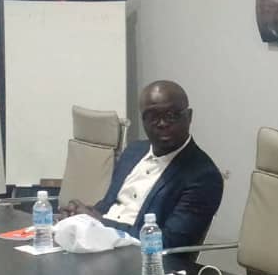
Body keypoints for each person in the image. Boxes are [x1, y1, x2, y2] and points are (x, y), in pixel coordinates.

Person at [62, 80, 223, 248]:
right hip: (98, 245)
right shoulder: (133, 151)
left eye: (171, 116)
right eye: (153, 117)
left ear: (189, 117)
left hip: (140, 258)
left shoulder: (203, 176)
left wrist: (100, 223)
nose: (162, 123)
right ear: (143, 120)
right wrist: (80, 215)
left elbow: (169, 242)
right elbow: (107, 207)